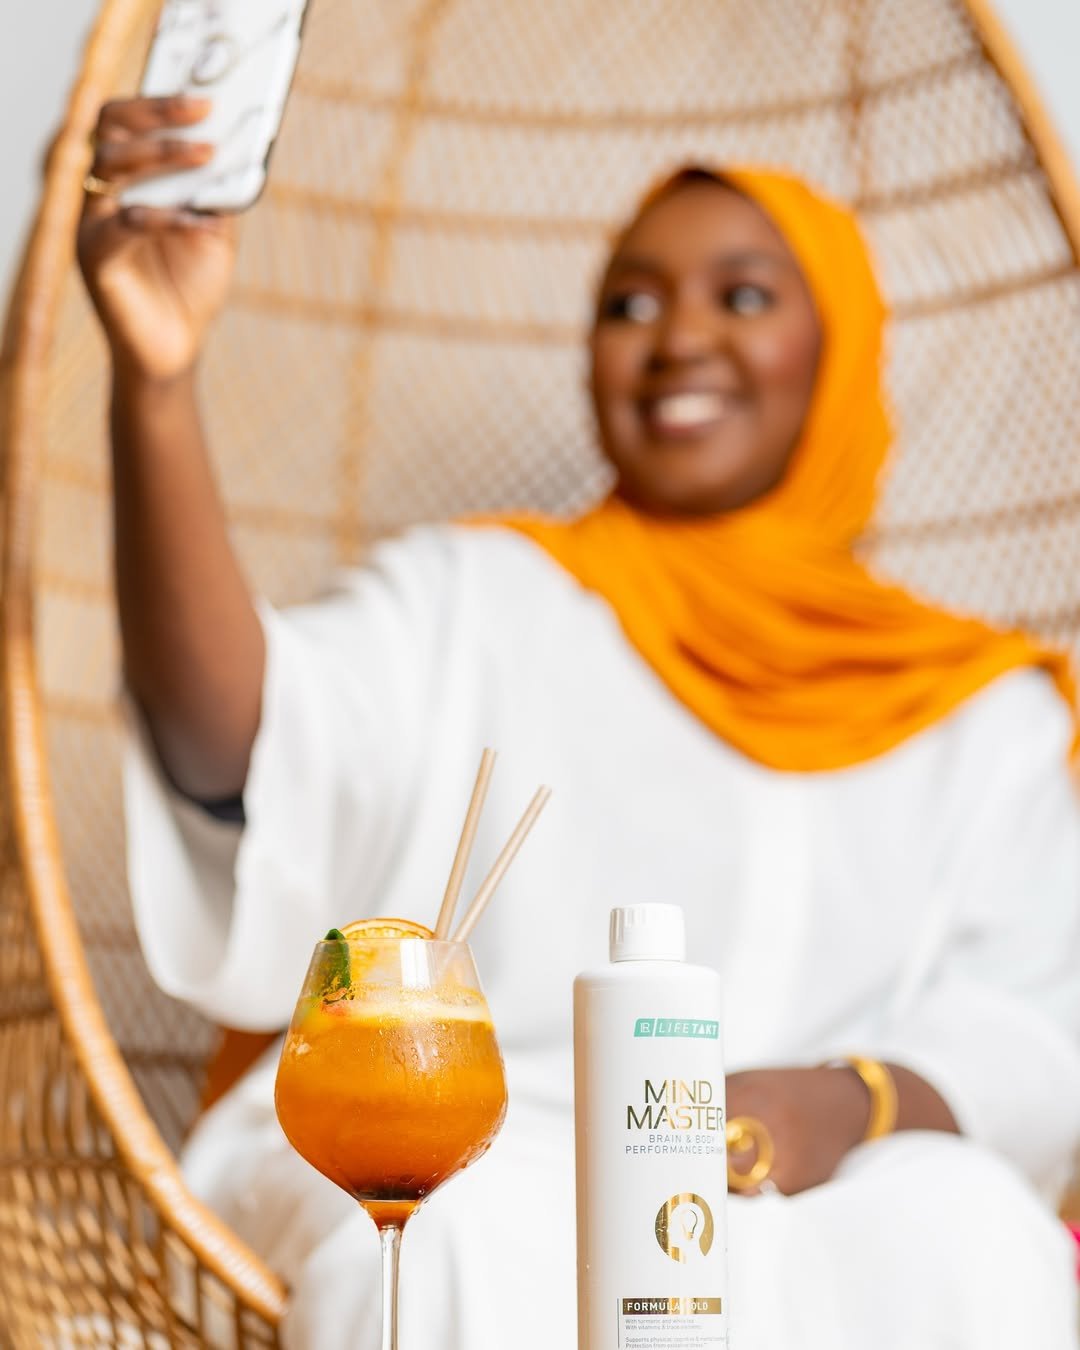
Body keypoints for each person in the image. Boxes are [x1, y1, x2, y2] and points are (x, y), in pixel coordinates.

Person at [78, 96, 1080, 1349]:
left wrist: (844, 1104)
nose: (680, 340)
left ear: (842, 351)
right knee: (446, 1235)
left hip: (820, 1186)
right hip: (494, 1158)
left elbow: (1032, 1031)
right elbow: (248, 753)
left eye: (745, 297)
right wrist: (157, 387)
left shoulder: (977, 716)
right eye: (631, 305)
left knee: (977, 1233)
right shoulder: (479, 601)